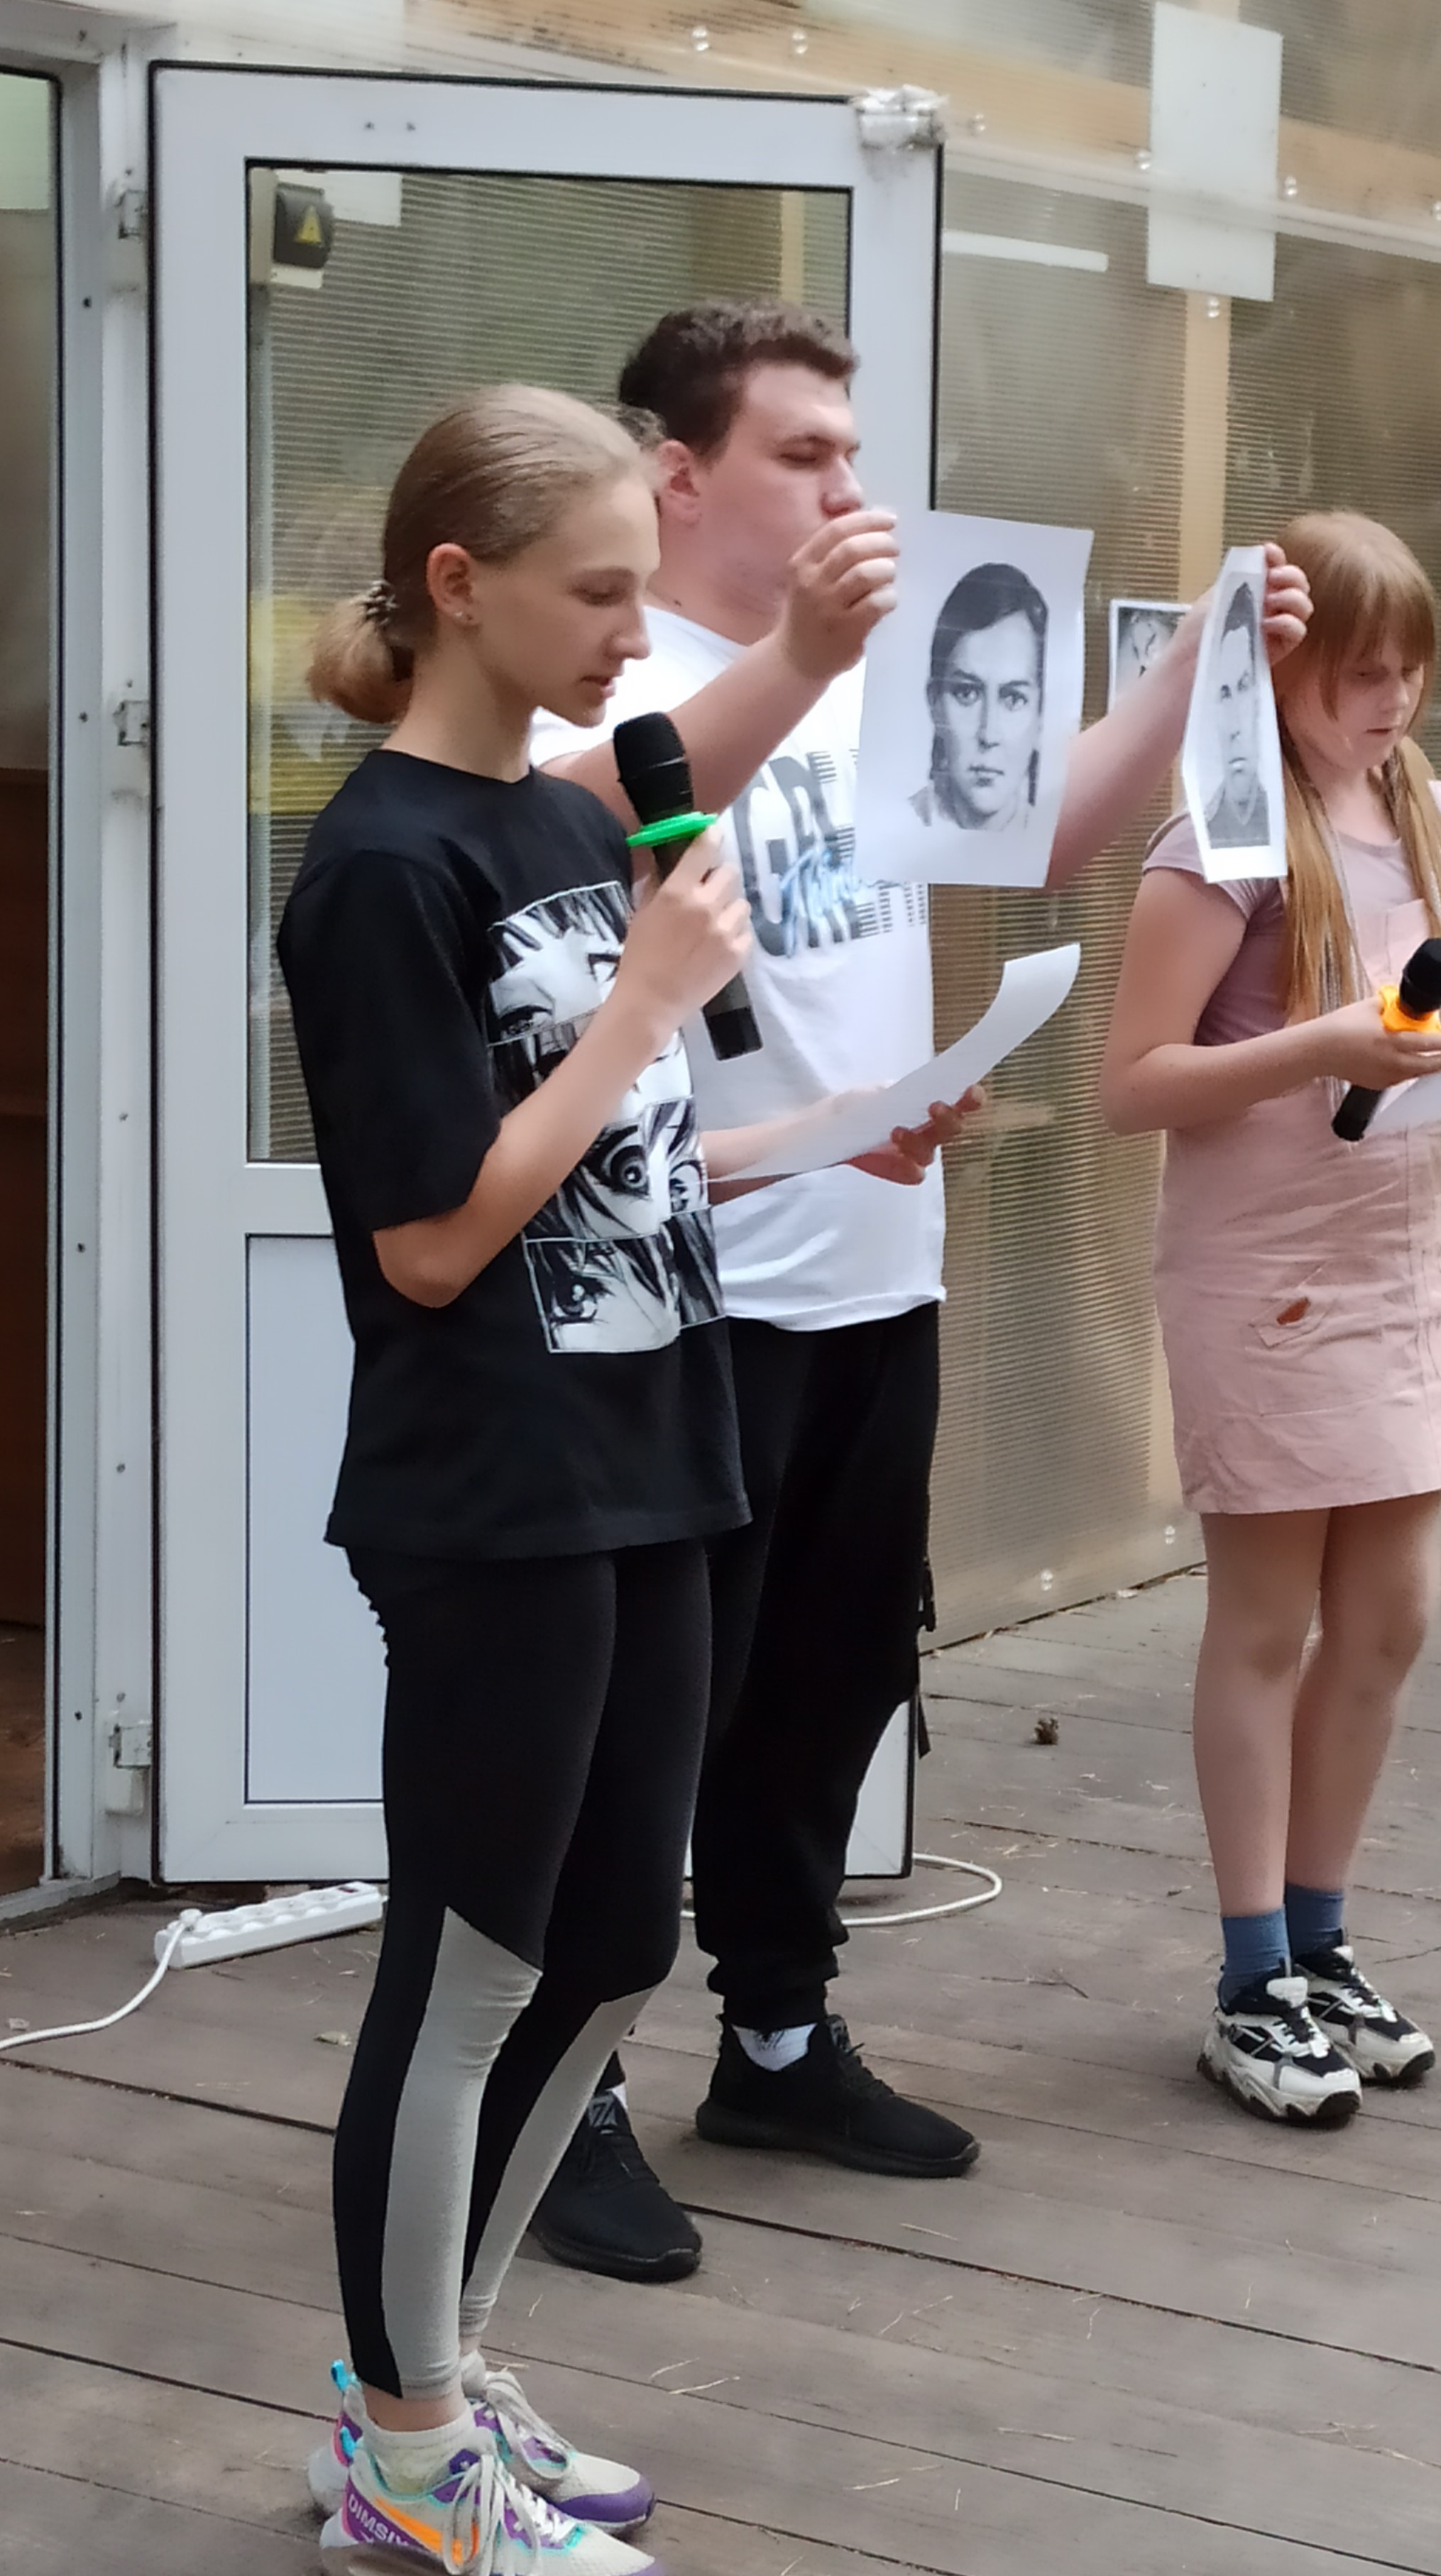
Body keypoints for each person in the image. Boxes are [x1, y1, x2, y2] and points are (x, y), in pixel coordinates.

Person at [527, 300, 1310, 2273]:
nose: (847, 491)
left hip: (876, 1268)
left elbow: (1040, 832)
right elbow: (568, 826)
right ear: (679, 475)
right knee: (642, 1716)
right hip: (688, 1291)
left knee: (823, 1686)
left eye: (852, 454)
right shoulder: (612, 680)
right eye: (803, 454)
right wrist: (801, 655)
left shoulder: (863, 677)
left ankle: (776, 2037)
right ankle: (560, 2092)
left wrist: (1198, 662)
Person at [278, 387, 759, 2576]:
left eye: (642, 591)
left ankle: (438, 2377)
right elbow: (433, 1239)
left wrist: (814, 1120)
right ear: (458, 586)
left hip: (651, 1452)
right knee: (467, 1963)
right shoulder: (384, 868)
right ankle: (401, 2460)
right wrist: (644, 1001)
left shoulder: (571, 822)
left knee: (617, 1943)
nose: (632, 637)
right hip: (492, 1489)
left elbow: (611, 1158)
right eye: (598, 591)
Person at [1099, 510, 1441, 2128]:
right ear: (1275, 669)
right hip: (1263, 1275)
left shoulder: (1429, 809)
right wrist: (1320, 1047)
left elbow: (1431, 1019)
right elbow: (1131, 1083)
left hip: (1398, 1261)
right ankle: (1250, 1975)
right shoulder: (1221, 838)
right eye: (1358, 674)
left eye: (1410, 670)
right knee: (1266, 1620)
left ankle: (1319, 1939)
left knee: (1390, 1614)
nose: (1392, 701)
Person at [911, 559, 1047, 833]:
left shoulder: (1064, 844)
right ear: (935, 703)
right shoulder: (894, 825)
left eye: (1014, 699)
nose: (988, 735)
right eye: (967, 694)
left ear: (1041, 717)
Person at [1201, 577, 1272, 852]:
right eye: (1224, 694)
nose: (1234, 728)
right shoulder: (1194, 838)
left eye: (1243, 687)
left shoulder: (1298, 822)